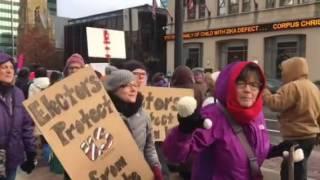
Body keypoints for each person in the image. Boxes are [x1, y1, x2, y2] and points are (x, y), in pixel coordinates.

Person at [162, 62, 271, 179]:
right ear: (228, 85)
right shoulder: (213, 116)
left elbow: (254, 147)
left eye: (254, 85)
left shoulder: (257, 114)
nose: (248, 90)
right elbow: (175, 155)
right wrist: (183, 132)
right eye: (241, 83)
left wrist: (277, 149)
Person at [263, 57, 320, 180]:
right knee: (300, 165)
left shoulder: (292, 87)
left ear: (292, 71)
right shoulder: (313, 87)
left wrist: (265, 92)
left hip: (295, 137)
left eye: (284, 71)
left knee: (290, 170)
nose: (282, 74)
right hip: (310, 136)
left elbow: (276, 104)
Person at [104, 69, 163, 180]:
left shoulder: (144, 116)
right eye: (126, 85)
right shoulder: (103, 116)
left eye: (135, 85)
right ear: (113, 89)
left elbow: (149, 148)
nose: (133, 89)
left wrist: (156, 167)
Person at [0, 52, 36, 180]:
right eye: (4, 67)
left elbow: (26, 126)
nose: (9, 71)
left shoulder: (18, 94)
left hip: (12, 158)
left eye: (11, 68)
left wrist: (31, 153)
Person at [62, 53, 86, 180]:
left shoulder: (92, 87)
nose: (74, 71)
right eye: (71, 68)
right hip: (69, 139)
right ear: (67, 70)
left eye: (78, 68)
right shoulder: (58, 91)